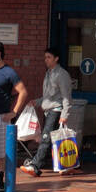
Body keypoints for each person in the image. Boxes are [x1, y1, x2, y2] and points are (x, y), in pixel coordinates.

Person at [21, 46, 74, 177]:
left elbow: (66, 96)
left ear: (56, 59)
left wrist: (64, 115)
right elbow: (48, 96)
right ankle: (64, 165)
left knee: (45, 138)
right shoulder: (48, 73)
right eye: (45, 57)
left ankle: (35, 165)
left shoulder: (62, 75)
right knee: (53, 140)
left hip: (56, 111)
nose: (46, 60)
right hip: (48, 111)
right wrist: (37, 102)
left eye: (49, 57)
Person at [0, 40, 27, 191]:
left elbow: (23, 92)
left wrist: (13, 112)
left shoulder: (9, 72)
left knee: (0, 152)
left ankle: (0, 177)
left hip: (1, 116)